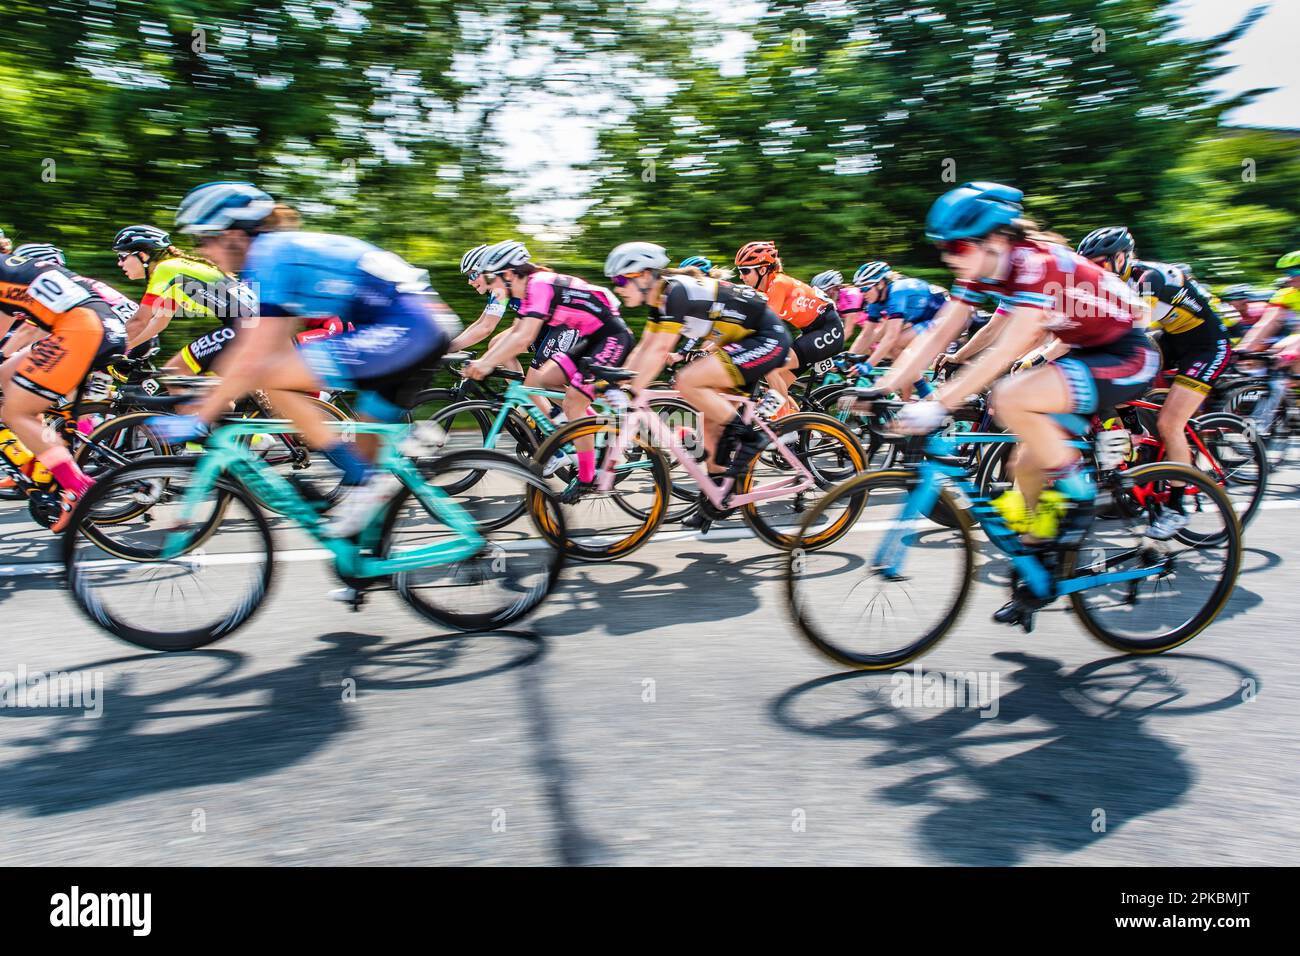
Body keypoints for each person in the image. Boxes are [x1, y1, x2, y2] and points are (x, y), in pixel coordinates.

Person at [148, 181, 460, 536]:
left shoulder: (268, 256)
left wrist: (200, 416)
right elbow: (267, 341)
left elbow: (253, 356)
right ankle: (364, 566)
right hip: (416, 324)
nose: (201, 252)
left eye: (204, 239)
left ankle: (366, 475)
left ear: (232, 233)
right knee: (368, 457)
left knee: (270, 378)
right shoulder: (275, 253)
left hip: (405, 327)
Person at [875, 182, 1158, 544]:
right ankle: (1039, 574)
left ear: (995, 239)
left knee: (1010, 397)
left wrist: (939, 404)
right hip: (1083, 350)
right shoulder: (984, 267)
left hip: (1126, 353)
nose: (949, 257)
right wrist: (882, 386)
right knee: (1024, 466)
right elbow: (939, 332)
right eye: (942, 248)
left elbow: (1011, 345)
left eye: (957, 246)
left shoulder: (1038, 263)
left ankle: (1081, 499)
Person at [1077, 227, 1230, 537]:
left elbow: (1133, 325)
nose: (1096, 271)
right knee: (1118, 384)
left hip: (1207, 345)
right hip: (1171, 339)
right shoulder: (1109, 283)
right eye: (1090, 266)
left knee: (1170, 423)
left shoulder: (1149, 278)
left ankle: (1176, 507)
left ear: (1122, 258)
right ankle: (1138, 436)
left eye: (1101, 264)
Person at [463, 240, 632, 501]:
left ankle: (587, 478)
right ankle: (592, 427)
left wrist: (484, 364)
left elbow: (523, 338)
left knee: (573, 403)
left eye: (489, 278)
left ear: (508, 274)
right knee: (545, 382)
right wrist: (486, 360)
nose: (489, 285)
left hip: (610, 336)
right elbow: (516, 334)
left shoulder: (539, 284)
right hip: (589, 337)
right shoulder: (527, 292)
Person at [610, 241, 791, 479]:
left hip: (767, 338)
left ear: (644, 275)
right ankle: (718, 500)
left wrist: (630, 393)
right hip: (743, 341)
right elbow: (644, 348)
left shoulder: (676, 292)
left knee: (687, 381)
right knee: (709, 426)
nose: (618, 289)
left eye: (621, 281)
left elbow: (661, 349)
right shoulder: (660, 302)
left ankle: (751, 437)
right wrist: (617, 383)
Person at [0, 242, 129, 529]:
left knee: (16, 413)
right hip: (97, 326)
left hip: (82, 329)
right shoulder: (13, 266)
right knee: (7, 378)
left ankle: (78, 486)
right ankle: (41, 460)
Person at [112, 223, 253, 372]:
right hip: (255, 323)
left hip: (243, 325)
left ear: (142, 255)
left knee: (176, 371)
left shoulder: (165, 269)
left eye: (122, 256)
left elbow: (139, 321)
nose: (119, 263)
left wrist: (106, 351)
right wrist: (125, 349)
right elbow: (158, 323)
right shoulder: (175, 275)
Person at [734, 241, 842, 413]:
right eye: (739, 271)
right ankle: (802, 428)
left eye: (745, 271)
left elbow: (765, 324)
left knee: (770, 367)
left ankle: (786, 427)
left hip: (828, 330)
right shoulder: (765, 291)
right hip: (811, 333)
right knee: (777, 389)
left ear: (762, 270)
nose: (741, 276)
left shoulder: (778, 283)